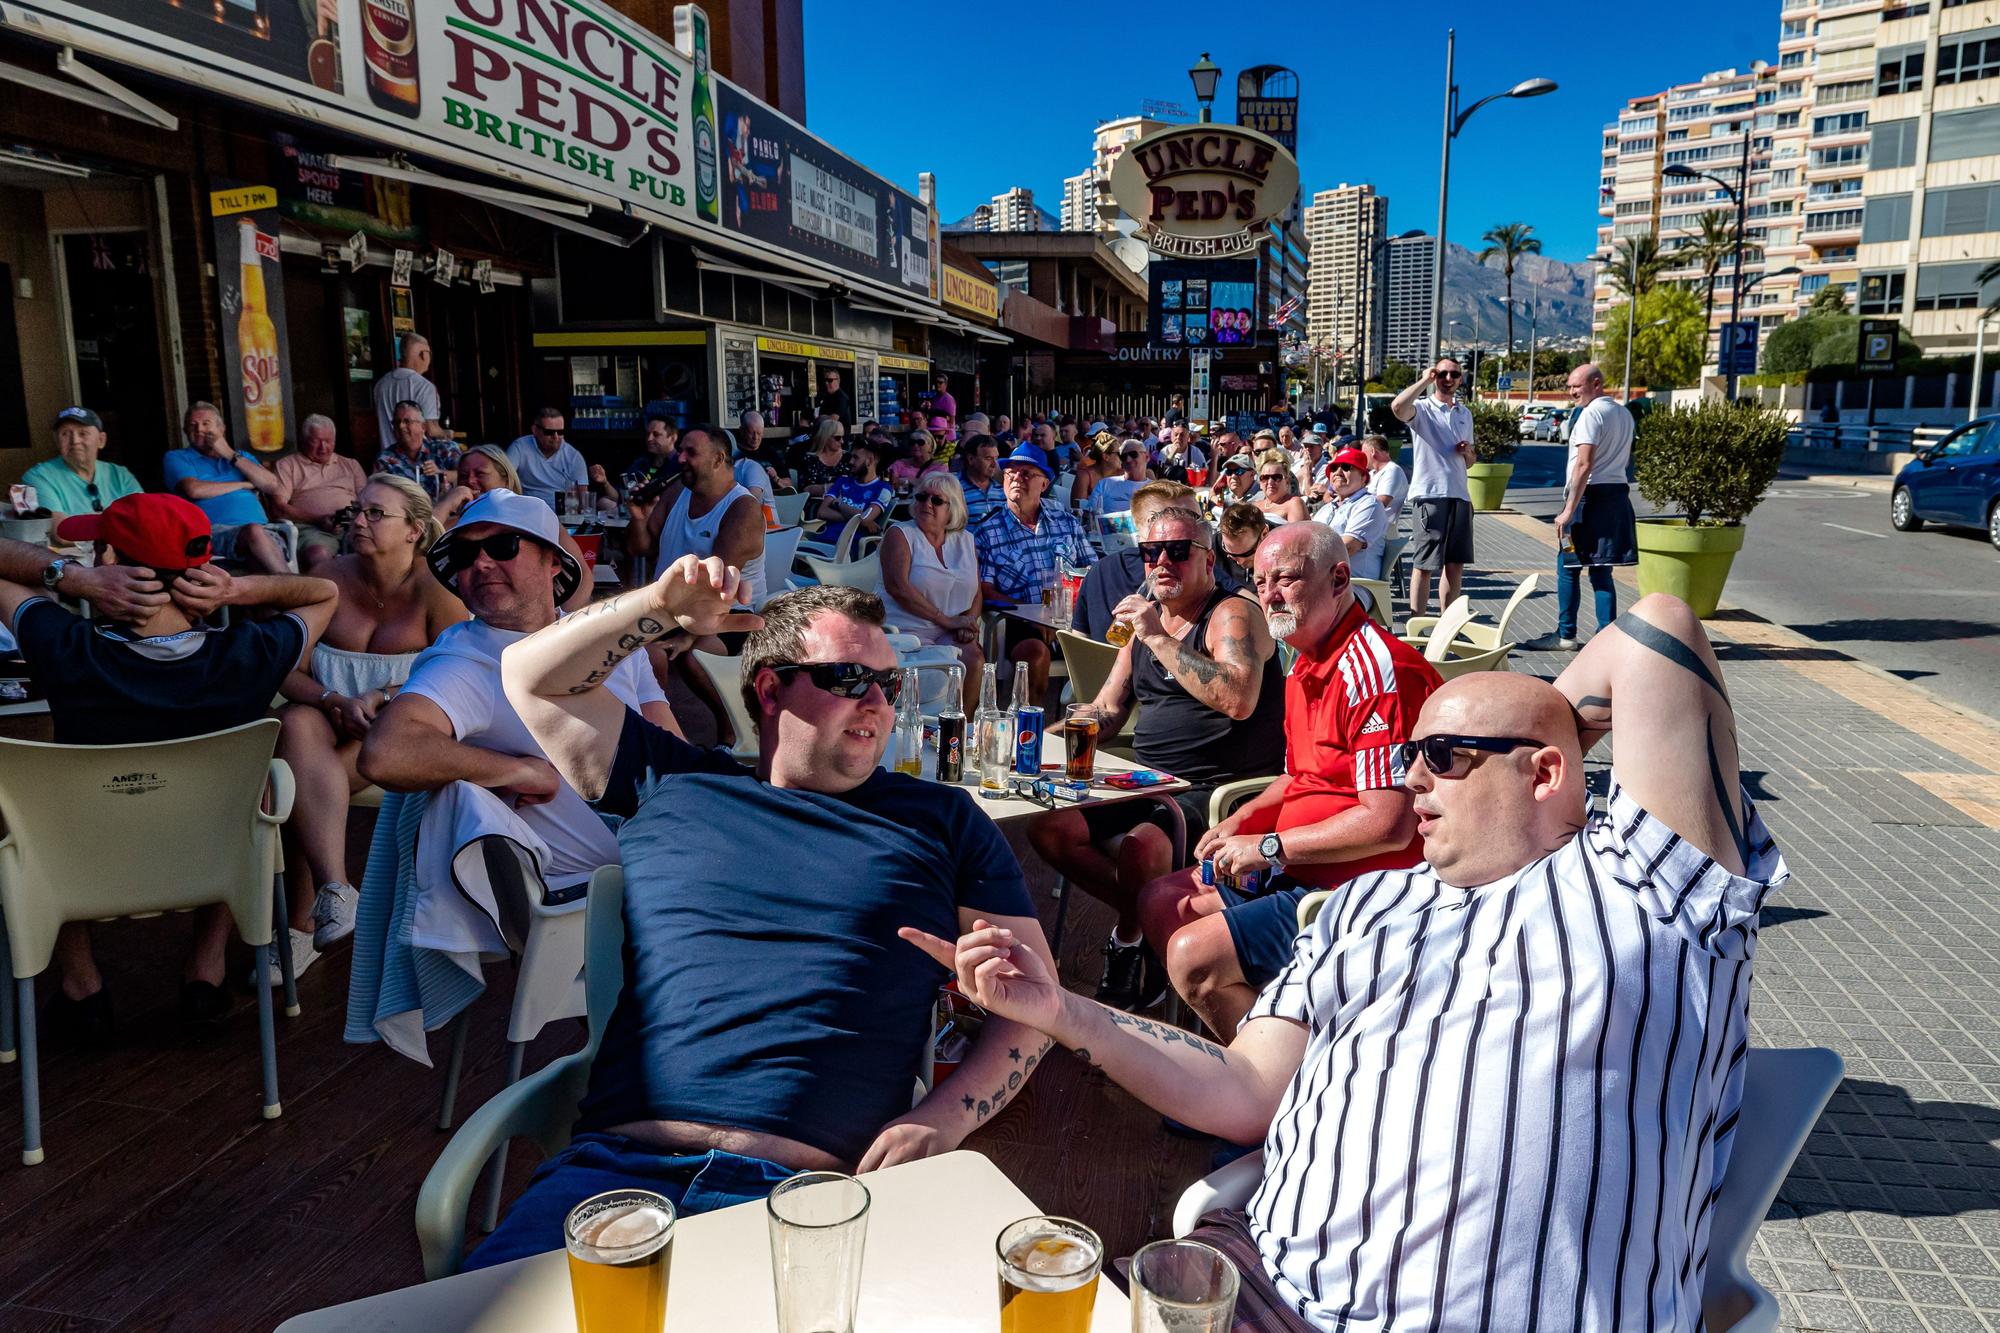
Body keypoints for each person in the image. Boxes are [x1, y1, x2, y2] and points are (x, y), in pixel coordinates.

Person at [911, 589, 1781, 1333]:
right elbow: (1246, 1087)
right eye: (1408, 755)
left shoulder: (1649, 899)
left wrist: (1527, 708)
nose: (1410, 783)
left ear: (1550, 771)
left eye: (1443, 757)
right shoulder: (1373, 904)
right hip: (1264, 1288)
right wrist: (1062, 1009)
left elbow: (1660, 628)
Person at [481, 579, 1055, 1266]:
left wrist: (944, 1118)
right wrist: (659, 605)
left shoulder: (943, 818)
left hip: (813, 1199)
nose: (876, 701)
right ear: (769, 690)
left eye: (887, 683)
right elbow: (528, 675)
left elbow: (1037, 1000)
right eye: (849, 677)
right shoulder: (670, 781)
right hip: (612, 1180)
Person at [0, 495, 337, 1037]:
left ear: (111, 561)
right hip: (213, 858)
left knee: (33, 820)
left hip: (85, 866)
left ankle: (82, 987)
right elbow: (325, 591)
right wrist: (235, 588)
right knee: (241, 804)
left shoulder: (65, 647)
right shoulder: (249, 653)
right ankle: (206, 971)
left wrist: (69, 577)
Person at [1139, 523, 1441, 1040]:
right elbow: (1301, 776)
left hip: (1360, 889)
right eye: (1260, 582)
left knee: (1194, 958)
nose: (1271, 593)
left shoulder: (1374, 670)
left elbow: (1390, 824)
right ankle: (1265, 1035)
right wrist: (1242, 818)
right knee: (1163, 900)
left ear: (1339, 577)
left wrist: (1272, 846)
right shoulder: (1308, 658)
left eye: (1287, 579)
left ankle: (1275, 1087)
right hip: (1305, 867)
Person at [358, 489, 677, 948]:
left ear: (553, 561)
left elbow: (668, 740)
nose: (481, 564)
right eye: (466, 554)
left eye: (503, 546)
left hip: (665, 863)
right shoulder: (468, 658)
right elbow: (385, 753)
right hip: (592, 901)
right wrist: (518, 771)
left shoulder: (607, 638)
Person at [1027, 506, 1284, 1010]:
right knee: (1050, 827)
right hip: (1148, 781)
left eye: (1177, 551)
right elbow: (1107, 709)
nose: (1162, 561)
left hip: (1218, 788)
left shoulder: (1231, 612)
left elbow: (1239, 698)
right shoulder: (1148, 621)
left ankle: (1127, 942)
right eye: (1151, 552)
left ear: (1209, 560)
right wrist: (1039, 740)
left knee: (1143, 846)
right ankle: (1148, 923)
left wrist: (1159, 638)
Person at [273, 475, 467, 978]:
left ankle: (301, 926)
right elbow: (286, 671)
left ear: (415, 530)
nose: (359, 521)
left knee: (295, 783)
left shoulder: (436, 588)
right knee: (296, 723)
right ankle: (336, 888)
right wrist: (334, 698)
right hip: (326, 723)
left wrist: (384, 696)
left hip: (405, 733)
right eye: (356, 511)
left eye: (376, 513)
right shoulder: (328, 580)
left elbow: (461, 673)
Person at [1529, 362, 1639, 653]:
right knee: (1602, 569)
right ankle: (1606, 638)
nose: (1571, 392)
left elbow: (1584, 464)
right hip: (1615, 495)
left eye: (1576, 386)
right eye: (1569, 386)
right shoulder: (1624, 414)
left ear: (1597, 384)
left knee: (1568, 566)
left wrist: (1568, 509)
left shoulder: (1591, 414)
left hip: (1588, 499)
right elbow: (1626, 461)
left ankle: (1566, 634)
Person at [974, 442, 1096, 698]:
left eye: (1026, 473)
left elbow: (1092, 571)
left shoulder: (1066, 523)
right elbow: (985, 590)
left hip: (1074, 618)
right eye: (1011, 473)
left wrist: (1072, 610)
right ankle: (1031, 729)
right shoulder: (989, 530)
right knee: (1034, 655)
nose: (1017, 478)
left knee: (1116, 646)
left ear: (1044, 484)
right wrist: (1035, 615)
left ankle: (1092, 723)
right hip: (1021, 619)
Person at [1074, 482, 1231, 641]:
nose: (1200, 526)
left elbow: (1078, 641)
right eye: (1187, 517)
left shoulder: (1100, 568)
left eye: (1198, 518)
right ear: (1153, 523)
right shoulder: (1185, 568)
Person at [880, 472, 983, 710]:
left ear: (952, 509)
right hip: (904, 632)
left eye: (937, 500)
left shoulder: (965, 540)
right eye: (921, 497)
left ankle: (962, 727)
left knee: (974, 658)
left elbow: (976, 592)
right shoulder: (900, 534)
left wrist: (968, 622)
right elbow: (898, 588)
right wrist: (947, 620)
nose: (927, 504)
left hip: (948, 630)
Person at [643, 424, 766, 609]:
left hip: (723, 621)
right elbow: (641, 548)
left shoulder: (743, 509)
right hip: (666, 613)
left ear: (718, 459)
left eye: (691, 453)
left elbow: (712, 588)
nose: (681, 458)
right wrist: (638, 517)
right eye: (681, 451)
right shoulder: (676, 491)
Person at [161, 401, 290, 573]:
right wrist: (244, 484)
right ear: (185, 432)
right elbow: (194, 490)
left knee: (256, 552)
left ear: (221, 429)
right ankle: (296, 589)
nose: (199, 429)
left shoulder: (242, 458)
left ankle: (288, 592)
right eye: (192, 425)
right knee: (254, 533)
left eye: (206, 424)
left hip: (265, 532)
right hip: (212, 533)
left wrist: (229, 454)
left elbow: (273, 486)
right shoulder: (178, 458)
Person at [1390, 358, 1476, 619]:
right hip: (1430, 495)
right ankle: (1417, 624)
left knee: (1455, 565)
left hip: (1460, 495)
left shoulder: (1464, 413)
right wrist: (1424, 380)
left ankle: (1447, 625)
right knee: (1425, 564)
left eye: (1454, 374)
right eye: (1442, 373)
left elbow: (1470, 463)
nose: (1447, 378)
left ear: (1460, 379)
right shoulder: (1422, 409)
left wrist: (1468, 452)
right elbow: (1397, 407)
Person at [271, 413, 369, 571]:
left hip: (353, 524)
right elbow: (278, 508)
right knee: (318, 554)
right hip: (312, 529)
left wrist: (350, 517)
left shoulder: (350, 465)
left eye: (328, 441)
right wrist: (318, 520)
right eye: (316, 441)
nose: (323, 447)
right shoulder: (288, 465)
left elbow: (367, 500)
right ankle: (333, 593)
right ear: (303, 441)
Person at [21, 407, 143, 525]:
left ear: (101, 440)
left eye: (83, 433)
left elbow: (144, 519)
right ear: (57, 441)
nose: (75, 441)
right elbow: (61, 530)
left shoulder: (120, 475)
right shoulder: (38, 477)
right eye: (65, 434)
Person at [1313, 447, 1390, 581]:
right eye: (1334, 468)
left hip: (1351, 587)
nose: (1338, 472)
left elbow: (1346, 548)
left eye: (1346, 467)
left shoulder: (1369, 504)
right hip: (1321, 582)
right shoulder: (1327, 508)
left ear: (1363, 478)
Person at [376, 399, 462, 502]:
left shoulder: (445, 449)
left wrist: (440, 473)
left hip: (446, 513)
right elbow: (378, 492)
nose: (401, 426)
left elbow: (465, 475)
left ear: (423, 427)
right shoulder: (385, 459)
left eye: (407, 421)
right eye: (396, 422)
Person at [372, 331, 444, 452]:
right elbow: (431, 431)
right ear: (423, 355)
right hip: (417, 463)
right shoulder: (425, 387)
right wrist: (447, 434)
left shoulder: (381, 384)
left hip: (388, 460)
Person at [506, 409, 588, 511]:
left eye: (561, 432)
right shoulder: (520, 447)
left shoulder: (573, 456)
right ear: (535, 430)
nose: (556, 437)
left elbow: (584, 500)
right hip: (526, 512)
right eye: (549, 432)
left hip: (561, 515)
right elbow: (505, 477)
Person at [813, 434, 892, 537]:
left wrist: (838, 503)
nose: (850, 461)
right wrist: (859, 519)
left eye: (856, 458)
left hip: (849, 546)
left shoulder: (884, 489)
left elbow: (867, 518)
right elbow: (821, 512)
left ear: (870, 460)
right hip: (824, 539)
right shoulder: (842, 481)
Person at [737, 411, 794, 496]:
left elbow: (789, 485)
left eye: (759, 433)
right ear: (742, 430)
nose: (755, 437)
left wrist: (776, 478)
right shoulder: (734, 453)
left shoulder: (770, 453)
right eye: (751, 433)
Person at [1088, 439, 1152, 516]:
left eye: (1133, 454)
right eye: (1123, 457)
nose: (1128, 460)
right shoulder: (1104, 484)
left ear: (1147, 457)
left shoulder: (1156, 488)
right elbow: (1090, 516)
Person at [956, 433, 1006, 527]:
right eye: (988, 458)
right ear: (971, 459)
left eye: (996, 458)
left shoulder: (1002, 489)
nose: (994, 464)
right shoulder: (954, 487)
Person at [1216, 504, 1270, 589]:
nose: (1240, 562)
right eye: (1231, 554)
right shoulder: (1215, 544)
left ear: (1265, 534)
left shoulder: (1284, 550)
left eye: (1247, 553)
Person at [1252, 450, 1310, 524]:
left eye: (1276, 477)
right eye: (1265, 477)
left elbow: (1298, 534)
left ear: (1287, 481)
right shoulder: (1255, 507)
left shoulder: (1294, 503)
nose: (1270, 482)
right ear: (1260, 483)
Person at [796, 418, 848, 497]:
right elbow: (804, 489)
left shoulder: (848, 458)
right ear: (826, 437)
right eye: (838, 438)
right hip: (815, 504)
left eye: (842, 437)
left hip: (844, 504)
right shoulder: (809, 459)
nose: (842, 441)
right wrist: (830, 488)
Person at [1362, 433, 1409, 517]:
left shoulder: (1392, 470)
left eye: (1363, 453)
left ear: (1372, 451)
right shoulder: (1372, 473)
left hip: (1381, 527)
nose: (1362, 457)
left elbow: (1380, 504)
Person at [1155, 420, 1208, 485]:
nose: (1178, 437)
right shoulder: (1165, 451)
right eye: (1176, 434)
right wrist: (1172, 453)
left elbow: (1204, 472)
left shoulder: (1196, 452)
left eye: (1182, 435)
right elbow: (1160, 474)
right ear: (1171, 436)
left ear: (1188, 437)